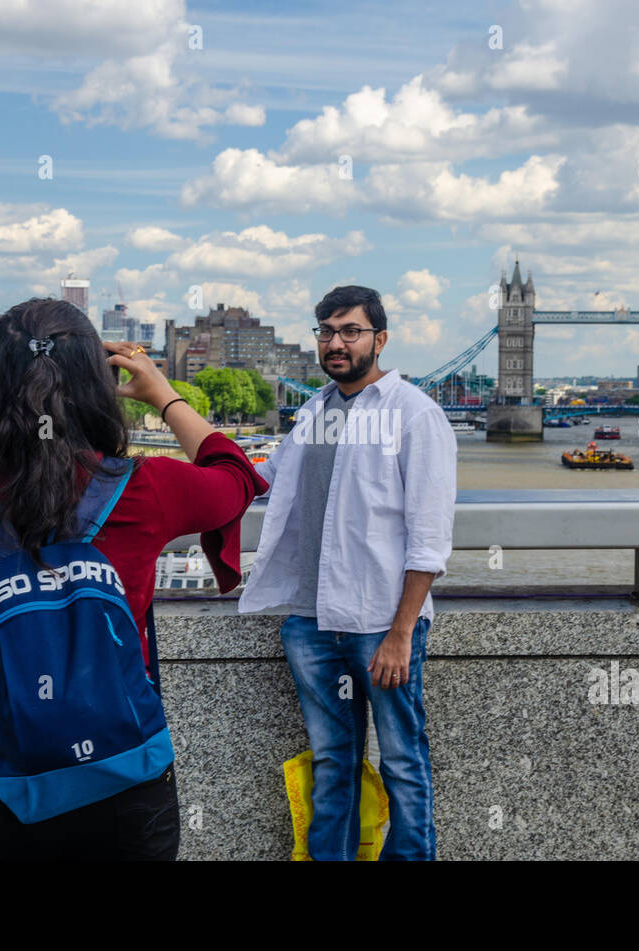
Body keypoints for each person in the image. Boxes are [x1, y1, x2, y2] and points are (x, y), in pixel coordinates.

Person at [0, 298, 267, 860]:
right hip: (119, 753)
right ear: (96, 383)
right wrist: (164, 394)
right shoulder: (148, 486)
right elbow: (236, 475)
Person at [238, 285, 457, 861]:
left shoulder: (416, 414)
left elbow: (429, 540)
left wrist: (401, 633)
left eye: (350, 331)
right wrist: (166, 403)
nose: (336, 343)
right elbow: (258, 479)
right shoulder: (312, 412)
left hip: (379, 624)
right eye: (326, 331)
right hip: (310, 622)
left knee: (404, 758)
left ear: (379, 340)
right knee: (333, 760)